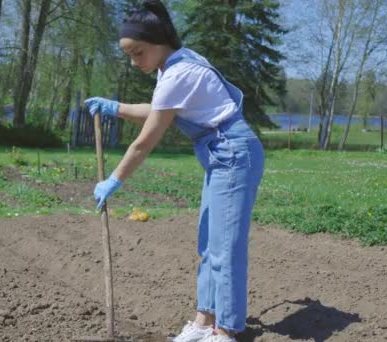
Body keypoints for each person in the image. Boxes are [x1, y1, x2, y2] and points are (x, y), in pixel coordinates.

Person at [84, 1, 265, 341]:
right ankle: (202, 322)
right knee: (209, 243)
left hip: (234, 153)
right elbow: (159, 109)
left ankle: (224, 331)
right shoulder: (174, 66)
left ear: (157, 42)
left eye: (137, 53)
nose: (134, 62)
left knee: (226, 247)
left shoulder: (179, 72)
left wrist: (114, 179)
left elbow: (144, 141)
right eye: (129, 55)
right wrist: (116, 108)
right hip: (221, 153)